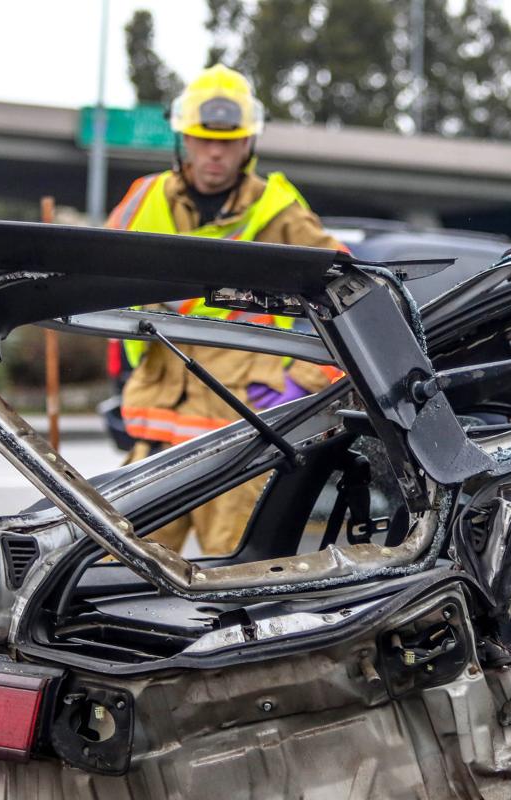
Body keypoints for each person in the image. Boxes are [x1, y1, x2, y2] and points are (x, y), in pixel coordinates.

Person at [106, 64, 344, 556]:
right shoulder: (143, 199)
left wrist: (306, 381)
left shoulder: (278, 211)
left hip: (239, 442)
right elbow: (93, 277)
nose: (215, 153)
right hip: (156, 436)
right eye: (203, 139)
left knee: (234, 580)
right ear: (184, 139)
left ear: (247, 143)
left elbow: (349, 295)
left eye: (228, 142)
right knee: (118, 569)